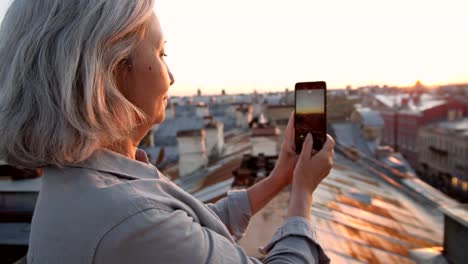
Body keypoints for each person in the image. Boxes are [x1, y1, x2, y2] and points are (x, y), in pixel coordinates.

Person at [0, 0, 335, 263]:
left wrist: (280, 179)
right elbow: (159, 230)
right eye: (161, 53)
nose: (171, 76)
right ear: (114, 71)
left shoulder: (85, 187)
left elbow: (190, 233)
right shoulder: (125, 219)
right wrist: (303, 193)